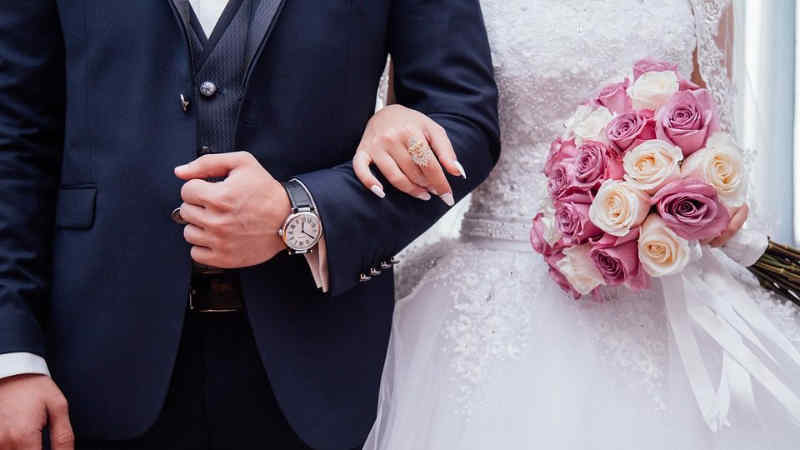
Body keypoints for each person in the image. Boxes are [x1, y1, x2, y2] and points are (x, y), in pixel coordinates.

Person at [0, 1, 498, 449]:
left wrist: (302, 213)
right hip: (94, 355)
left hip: (316, 357)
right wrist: (11, 353)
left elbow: (462, 121)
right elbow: (15, 133)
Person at [356, 1, 800, 449]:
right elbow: (418, 136)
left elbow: (710, 119)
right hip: (497, 295)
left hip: (664, 278)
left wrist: (709, 198)